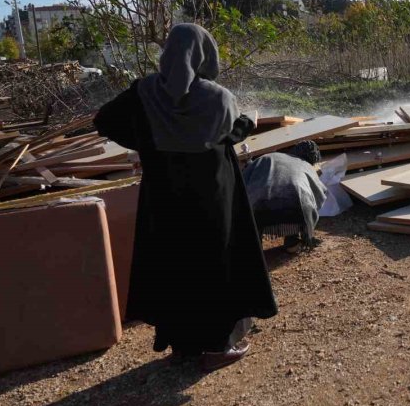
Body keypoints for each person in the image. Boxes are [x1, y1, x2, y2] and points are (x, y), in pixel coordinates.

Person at [94, 24, 277, 371]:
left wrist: (149, 142)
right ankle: (217, 347)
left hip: (164, 199)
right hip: (213, 198)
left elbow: (104, 120)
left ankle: (182, 345)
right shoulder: (218, 97)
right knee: (215, 264)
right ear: (205, 54)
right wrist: (247, 125)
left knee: (174, 263)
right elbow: (227, 136)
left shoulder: (143, 93)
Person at [243, 141, 327, 252]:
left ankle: (255, 247)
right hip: (296, 214)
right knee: (299, 199)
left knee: (254, 201)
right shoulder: (306, 166)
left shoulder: (268, 156)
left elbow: (244, 177)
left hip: (259, 212)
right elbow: (320, 193)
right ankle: (292, 241)